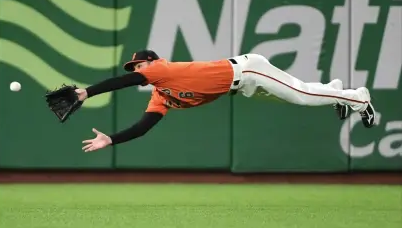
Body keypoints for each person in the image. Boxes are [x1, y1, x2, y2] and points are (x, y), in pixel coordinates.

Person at [77, 50, 376, 152]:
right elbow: (144, 127)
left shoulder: (161, 70)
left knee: (301, 96)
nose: (139, 70)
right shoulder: (160, 94)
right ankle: (333, 89)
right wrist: (112, 140)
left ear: (153, 62)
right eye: (136, 67)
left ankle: (358, 99)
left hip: (247, 70)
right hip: (241, 86)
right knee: (300, 96)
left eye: (140, 65)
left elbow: (124, 82)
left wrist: (87, 92)